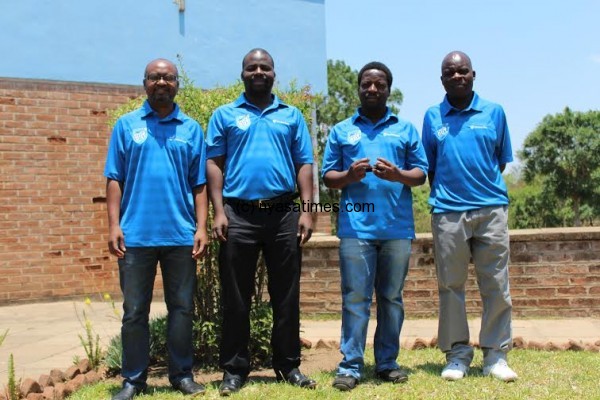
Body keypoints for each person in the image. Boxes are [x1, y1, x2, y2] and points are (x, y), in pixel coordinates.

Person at [206, 48, 316, 396]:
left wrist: (308, 209)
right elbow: (213, 164)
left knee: (286, 294)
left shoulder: (291, 116)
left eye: (264, 67)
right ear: (242, 74)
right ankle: (235, 370)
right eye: (251, 67)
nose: (258, 71)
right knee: (235, 295)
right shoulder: (225, 115)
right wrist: (218, 211)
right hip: (238, 213)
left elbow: (304, 164)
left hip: (283, 213)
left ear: (273, 73)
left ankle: (288, 366)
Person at [104, 58, 209, 400]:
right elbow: (114, 179)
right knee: (135, 311)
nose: (162, 82)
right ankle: (133, 380)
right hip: (134, 236)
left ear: (177, 83)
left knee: (182, 309)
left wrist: (202, 227)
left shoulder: (192, 129)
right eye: (155, 77)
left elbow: (200, 184)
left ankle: (182, 375)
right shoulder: (125, 125)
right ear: (144, 82)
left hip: (181, 235)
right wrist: (113, 225)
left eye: (169, 77)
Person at [322, 61, 429, 391]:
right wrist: (349, 176)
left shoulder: (405, 129)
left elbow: (421, 174)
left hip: (396, 229)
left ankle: (387, 362)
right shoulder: (342, 130)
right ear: (359, 88)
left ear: (388, 89)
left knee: (391, 298)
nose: (372, 89)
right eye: (366, 84)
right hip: (356, 230)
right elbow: (328, 176)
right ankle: (350, 365)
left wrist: (397, 174)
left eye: (379, 85)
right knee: (355, 298)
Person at [422, 51, 518, 382]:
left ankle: (495, 356)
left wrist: (478, 190)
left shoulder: (494, 112)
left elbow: (500, 161)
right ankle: (458, 355)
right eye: (451, 72)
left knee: (496, 283)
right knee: (451, 285)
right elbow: (430, 167)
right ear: (442, 79)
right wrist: (452, 195)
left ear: (474, 74)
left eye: (463, 71)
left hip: (491, 208)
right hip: (448, 212)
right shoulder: (432, 116)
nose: (458, 76)